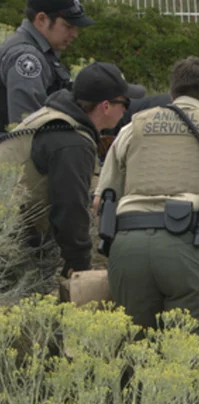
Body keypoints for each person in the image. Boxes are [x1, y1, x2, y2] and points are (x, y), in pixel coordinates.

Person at [95, 56, 199, 356]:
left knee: (134, 354)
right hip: (193, 245)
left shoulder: (135, 126)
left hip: (128, 246)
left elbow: (102, 199)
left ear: (173, 95)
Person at [0, 62, 142, 282]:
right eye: (125, 103)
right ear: (105, 106)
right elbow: (69, 209)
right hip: (11, 244)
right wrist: (79, 267)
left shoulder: (54, 117)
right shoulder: (72, 141)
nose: (126, 110)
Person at [0, 0, 94, 132]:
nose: (74, 34)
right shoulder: (27, 57)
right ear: (42, 19)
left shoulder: (40, 51)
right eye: (68, 26)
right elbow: (27, 126)